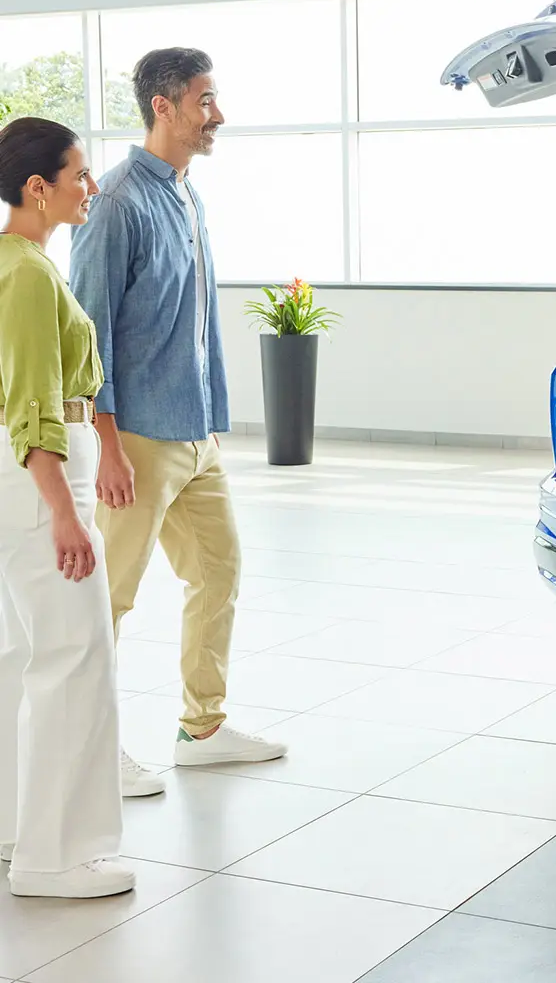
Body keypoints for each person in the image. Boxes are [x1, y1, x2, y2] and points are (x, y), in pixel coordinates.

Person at [69, 48, 285, 798]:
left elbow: (194, 323)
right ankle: (90, 752)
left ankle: (203, 729)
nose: (216, 114)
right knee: (109, 597)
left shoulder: (187, 195)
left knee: (218, 573)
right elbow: (88, 334)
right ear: (163, 107)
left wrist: (211, 419)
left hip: (194, 432)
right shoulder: (116, 201)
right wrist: (106, 446)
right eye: (205, 100)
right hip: (134, 439)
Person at [0, 116, 135, 898]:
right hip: (43, 472)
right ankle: (54, 859)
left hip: (24, 471)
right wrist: (62, 510)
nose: (90, 187)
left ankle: (18, 829)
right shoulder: (26, 273)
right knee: (74, 656)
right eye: (79, 174)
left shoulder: (19, 263)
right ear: (36, 187)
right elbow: (32, 402)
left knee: (24, 655)